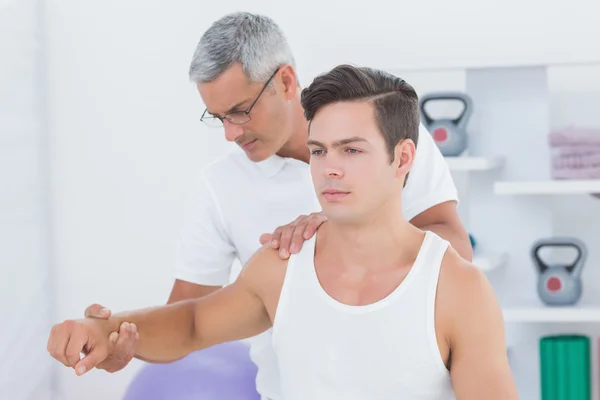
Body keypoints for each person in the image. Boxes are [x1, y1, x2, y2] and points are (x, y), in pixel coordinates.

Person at [47, 64, 518, 400]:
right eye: (319, 151)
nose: (329, 169)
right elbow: (191, 323)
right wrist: (106, 329)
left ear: (404, 158)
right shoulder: (282, 265)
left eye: (351, 151)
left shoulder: (458, 290)